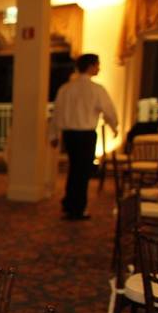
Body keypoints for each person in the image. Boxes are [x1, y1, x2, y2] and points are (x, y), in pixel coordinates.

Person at [50, 53, 118, 220]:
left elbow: (56, 113)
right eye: (97, 64)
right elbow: (108, 110)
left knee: (74, 170)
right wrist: (114, 126)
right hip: (86, 135)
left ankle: (69, 203)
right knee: (82, 172)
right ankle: (78, 209)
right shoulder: (96, 89)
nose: (99, 68)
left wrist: (53, 135)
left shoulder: (66, 88)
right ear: (90, 66)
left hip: (70, 136)